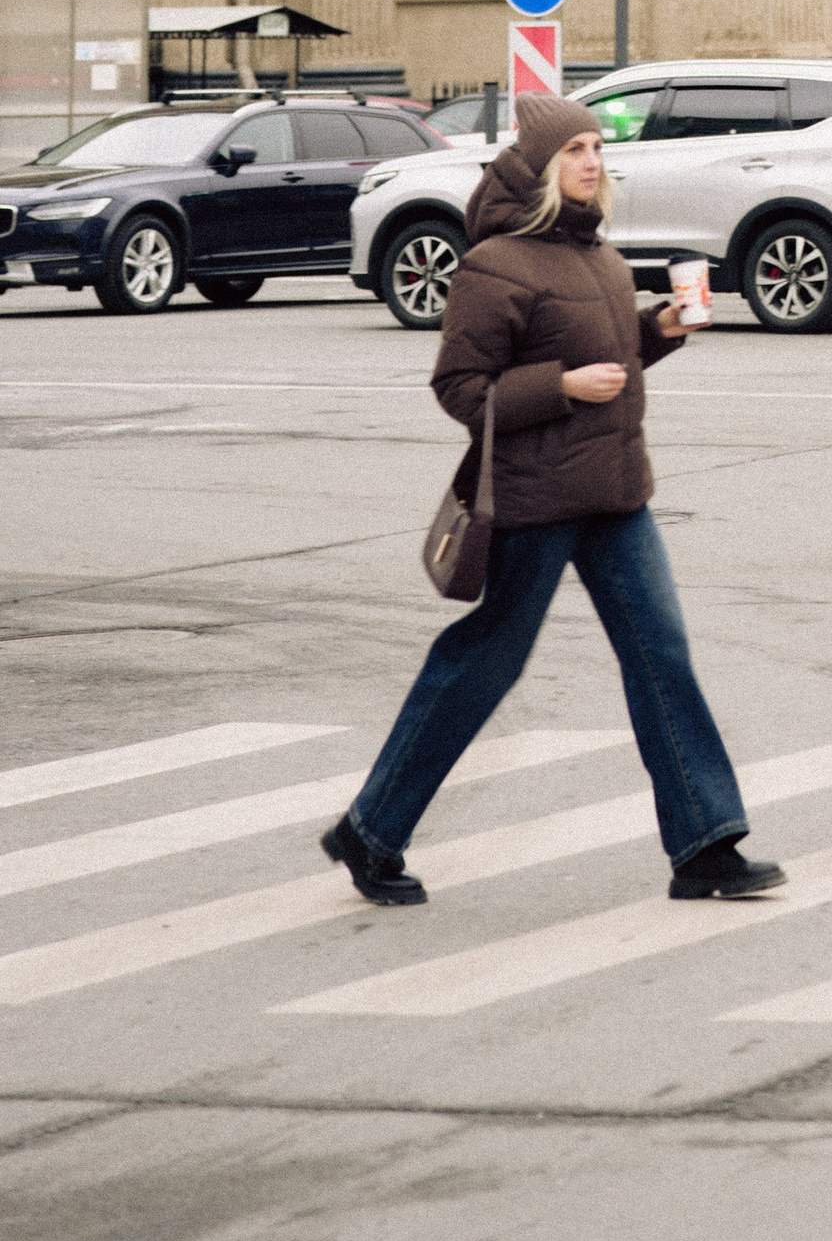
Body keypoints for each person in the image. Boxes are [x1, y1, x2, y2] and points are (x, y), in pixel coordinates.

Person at [321, 91, 784, 909]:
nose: (592, 161)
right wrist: (560, 386)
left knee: (662, 657)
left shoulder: (599, 257)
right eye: (574, 149)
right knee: (484, 664)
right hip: (535, 501)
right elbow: (460, 388)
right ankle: (371, 828)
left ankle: (706, 846)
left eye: (596, 147)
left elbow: (608, 357)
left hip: (615, 496)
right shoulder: (493, 264)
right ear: (537, 167)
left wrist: (657, 330)